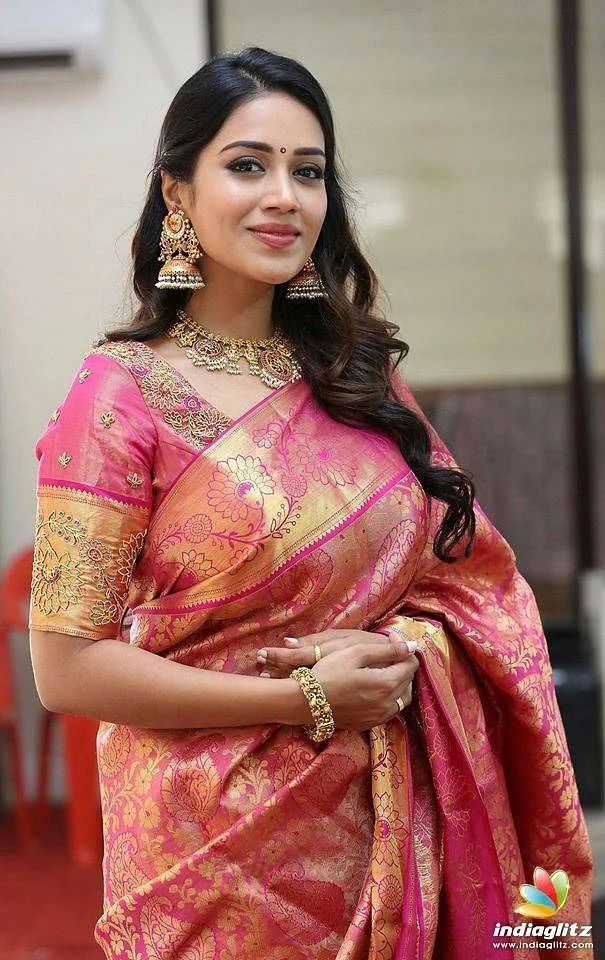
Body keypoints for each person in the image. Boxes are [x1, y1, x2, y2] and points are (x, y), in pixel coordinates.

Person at [28, 46, 593, 960]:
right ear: (177, 191)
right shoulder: (117, 400)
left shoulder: (358, 380)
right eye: (248, 165)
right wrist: (300, 698)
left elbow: (472, 587)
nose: (283, 196)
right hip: (211, 853)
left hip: (391, 820)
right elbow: (67, 670)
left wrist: (406, 648)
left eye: (309, 171)